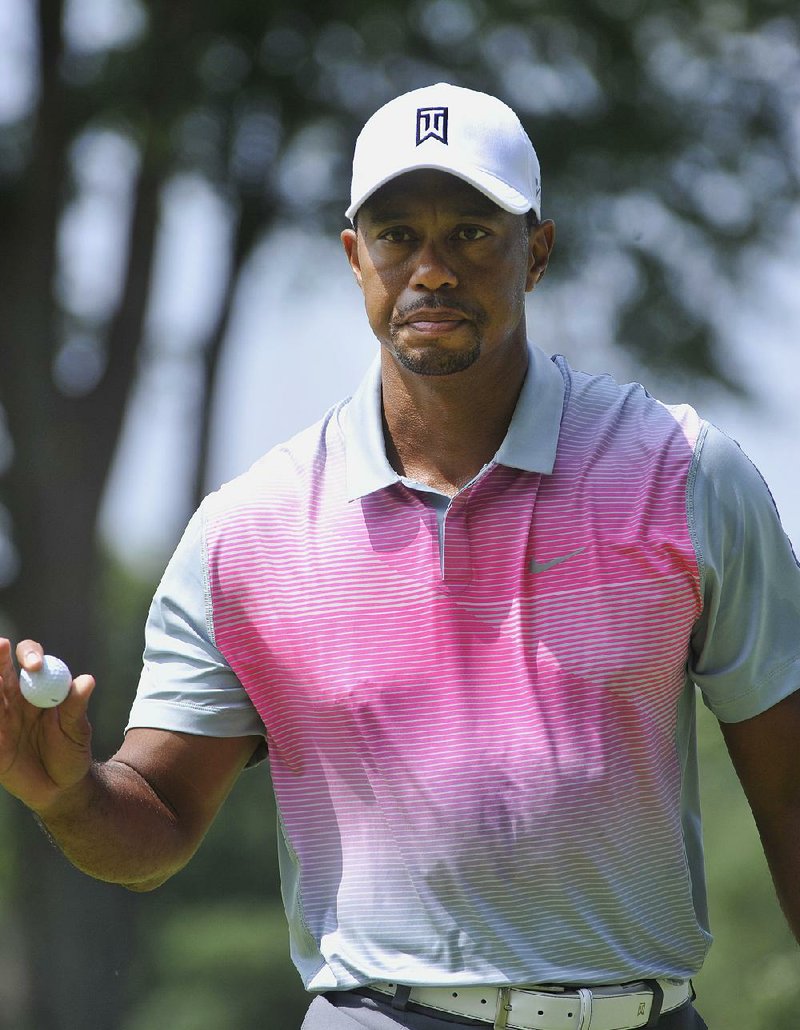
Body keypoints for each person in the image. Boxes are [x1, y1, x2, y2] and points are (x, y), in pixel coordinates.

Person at [1, 82, 799, 1030]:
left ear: (536, 252)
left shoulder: (684, 473)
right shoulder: (248, 530)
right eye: (396, 236)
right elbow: (158, 822)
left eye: (471, 232)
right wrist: (67, 796)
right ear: (356, 258)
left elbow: (790, 792)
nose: (431, 269)